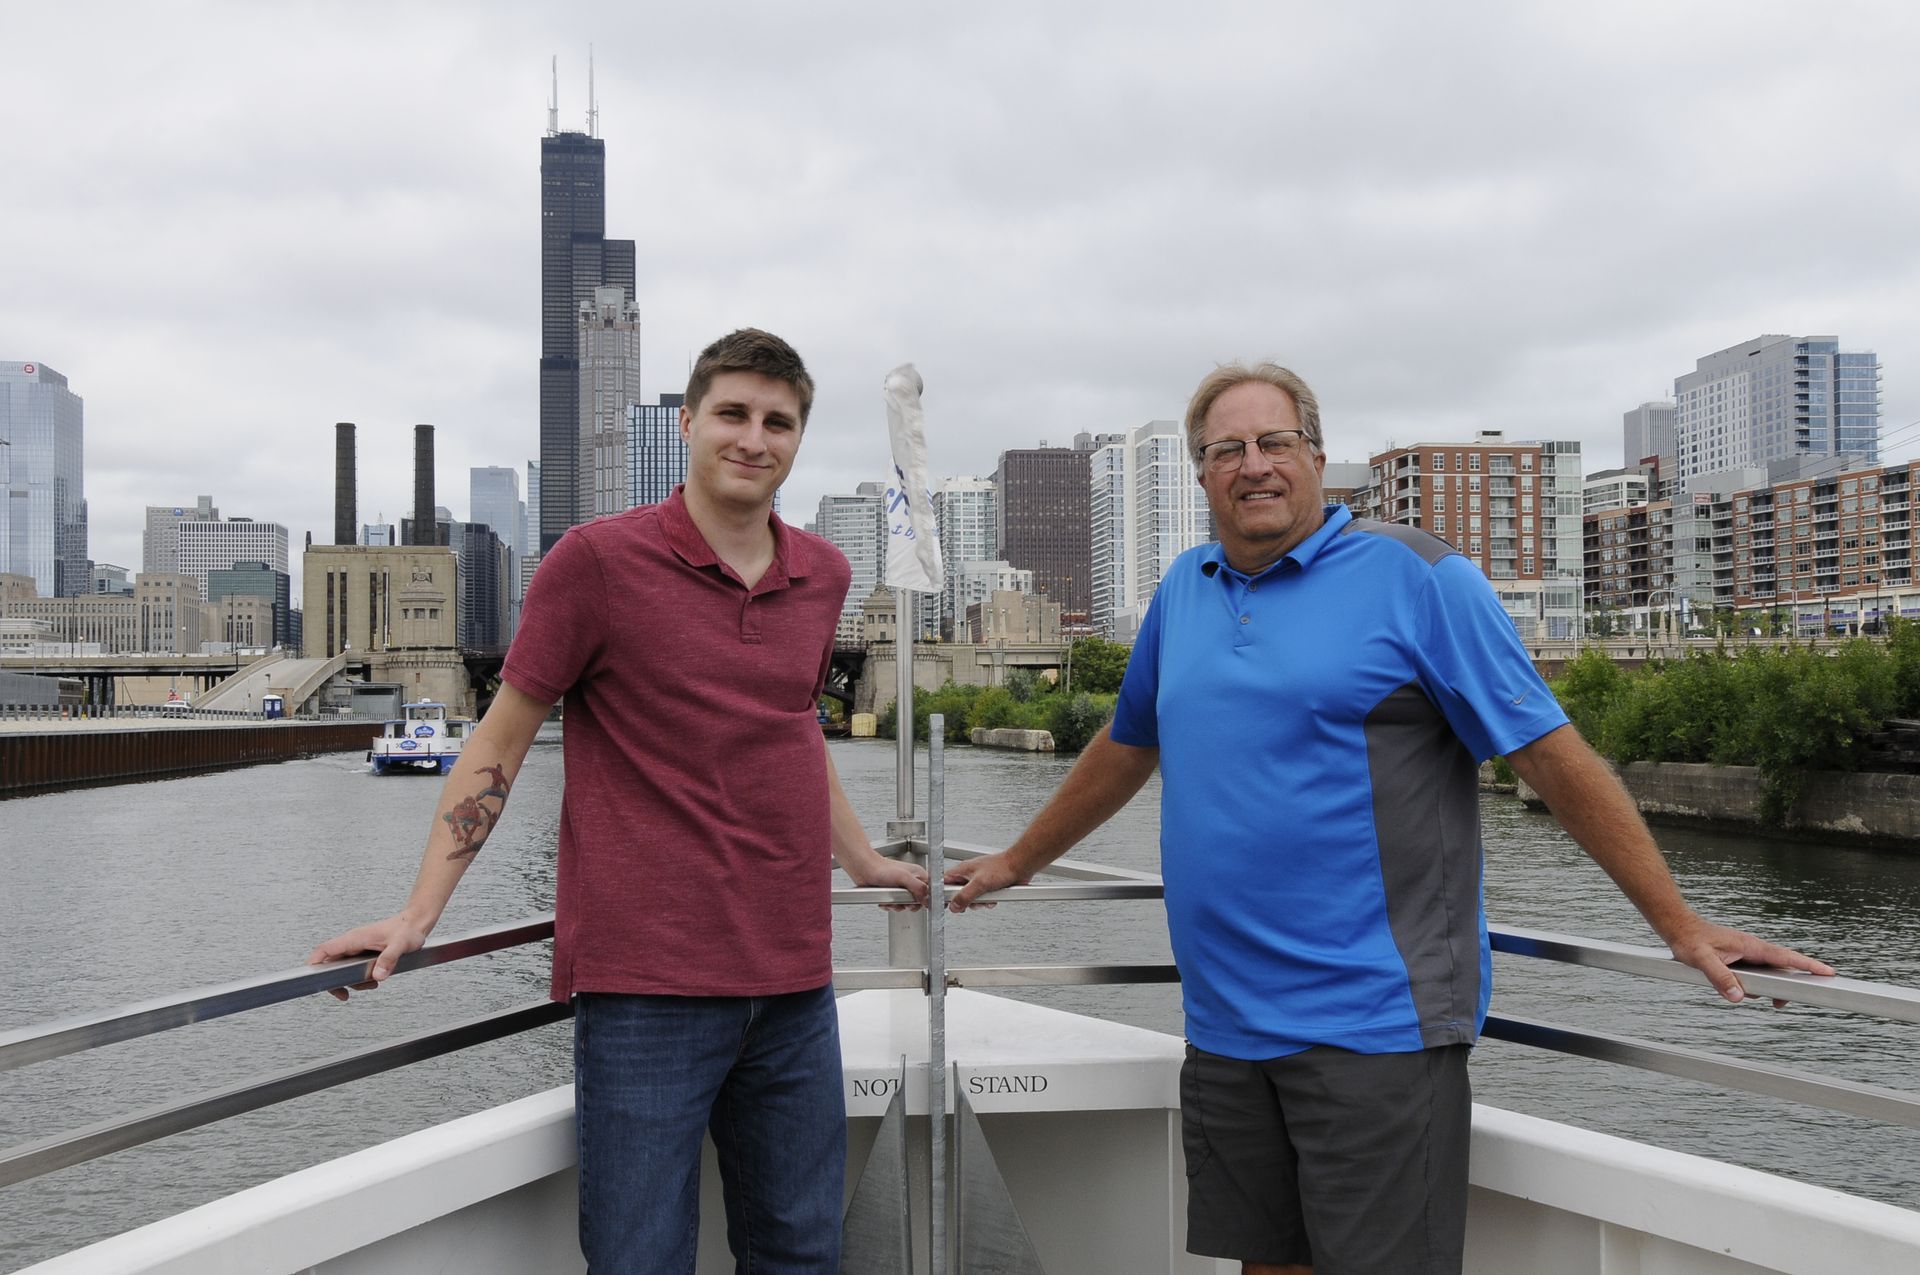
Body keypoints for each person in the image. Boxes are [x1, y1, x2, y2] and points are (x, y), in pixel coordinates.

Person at [945, 361, 1834, 1275]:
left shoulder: (1419, 578)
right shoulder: (1183, 590)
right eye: (1228, 448)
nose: (1255, 465)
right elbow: (1126, 748)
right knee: (1267, 1267)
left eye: (1276, 442)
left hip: (1374, 1023)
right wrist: (1018, 860)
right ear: (1200, 471)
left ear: (1317, 458)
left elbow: (1550, 754)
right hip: (1225, 1022)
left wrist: (1678, 924)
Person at [309, 328, 929, 1275]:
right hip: (647, 990)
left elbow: (794, 727)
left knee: (803, 1253)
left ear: (799, 438)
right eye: (732, 413)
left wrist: (861, 860)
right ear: (687, 422)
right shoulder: (595, 563)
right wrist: (418, 911)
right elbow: (500, 741)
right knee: (639, 1260)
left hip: (797, 983)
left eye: (779, 422)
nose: (753, 439)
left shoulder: (824, 575)